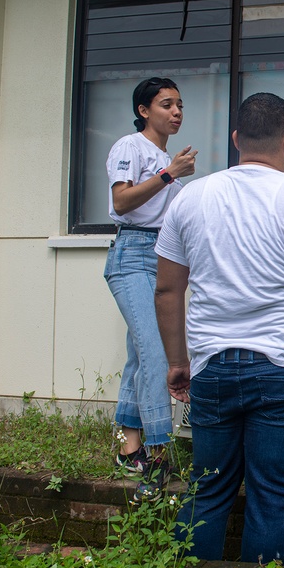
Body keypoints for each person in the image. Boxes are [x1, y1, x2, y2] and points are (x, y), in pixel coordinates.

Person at [154, 92, 284, 564]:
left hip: (212, 368)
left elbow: (167, 291)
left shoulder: (191, 198)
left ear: (236, 140)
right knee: (273, 498)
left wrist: (177, 363)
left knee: (207, 488)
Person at [104, 77, 197, 493]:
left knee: (140, 355)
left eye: (179, 105)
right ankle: (159, 456)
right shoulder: (131, 147)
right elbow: (121, 201)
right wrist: (168, 173)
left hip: (160, 258)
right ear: (144, 110)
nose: (176, 112)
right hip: (131, 256)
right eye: (166, 104)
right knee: (159, 351)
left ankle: (129, 447)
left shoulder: (166, 162)